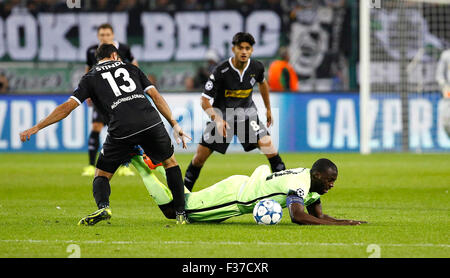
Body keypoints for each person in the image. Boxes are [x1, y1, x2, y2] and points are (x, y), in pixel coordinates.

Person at [20, 44, 191, 225]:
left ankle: (104, 206)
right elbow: (156, 97)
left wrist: (37, 127)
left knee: (101, 175)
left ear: (97, 59)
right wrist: (174, 123)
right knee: (170, 163)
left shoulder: (90, 77)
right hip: (150, 121)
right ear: (115, 55)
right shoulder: (131, 68)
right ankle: (181, 214)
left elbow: (67, 107)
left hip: (121, 129)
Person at [132, 154, 366, 225]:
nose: (332, 184)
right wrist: (336, 225)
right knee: (174, 211)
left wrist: (346, 222)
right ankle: (137, 162)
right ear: (317, 176)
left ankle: (161, 166)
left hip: (242, 186)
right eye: (330, 180)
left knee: (187, 201)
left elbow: (319, 217)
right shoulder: (301, 183)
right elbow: (298, 216)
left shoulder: (313, 185)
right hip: (234, 197)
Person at [184, 32, 286, 192]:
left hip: (248, 117)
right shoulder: (221, 71)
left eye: (247, 48)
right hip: (222, 118)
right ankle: (182, 195)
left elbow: (263, 83)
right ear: (233, 49)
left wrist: (268, 109)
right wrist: (216, 119)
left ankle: (284, 191)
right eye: (240, 48)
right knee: (199, 158)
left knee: (271, 150)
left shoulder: (257, 67)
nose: (244, 51)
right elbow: (204, 101)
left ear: (251, 50)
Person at [82, 23, 139, 177]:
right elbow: (88, 70)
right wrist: (87, 92)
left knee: (123, 129)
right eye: (102, 35)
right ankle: (90, 165)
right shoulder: (92, 51)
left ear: (113, 35)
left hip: (120, 96)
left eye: (107, 34)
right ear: (98, 36)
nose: (105, 37)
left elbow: (134, 66)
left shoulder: (124, 49)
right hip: (100, 96)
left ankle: (124, 165)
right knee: (96, 127)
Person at [436, 48, 450, 136]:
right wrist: (444, 86)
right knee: (446, 122)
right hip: (449, 92)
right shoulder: (446, 55)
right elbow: (439, 75)